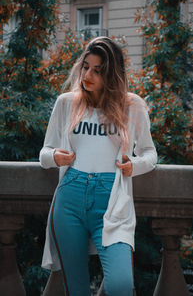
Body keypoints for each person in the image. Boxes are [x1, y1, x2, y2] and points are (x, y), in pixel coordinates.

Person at [39, 36, 157, 296]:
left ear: (112, 74)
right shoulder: (66, 103)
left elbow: (150, 153)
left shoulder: (132, 106)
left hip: (111, 199)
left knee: (121, 286)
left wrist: (133, 166)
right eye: (85, 66)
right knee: (76, 287)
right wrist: (54, 157)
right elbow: (44, 152)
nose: (87, 75)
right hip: (70, 195)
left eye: (98, 70)